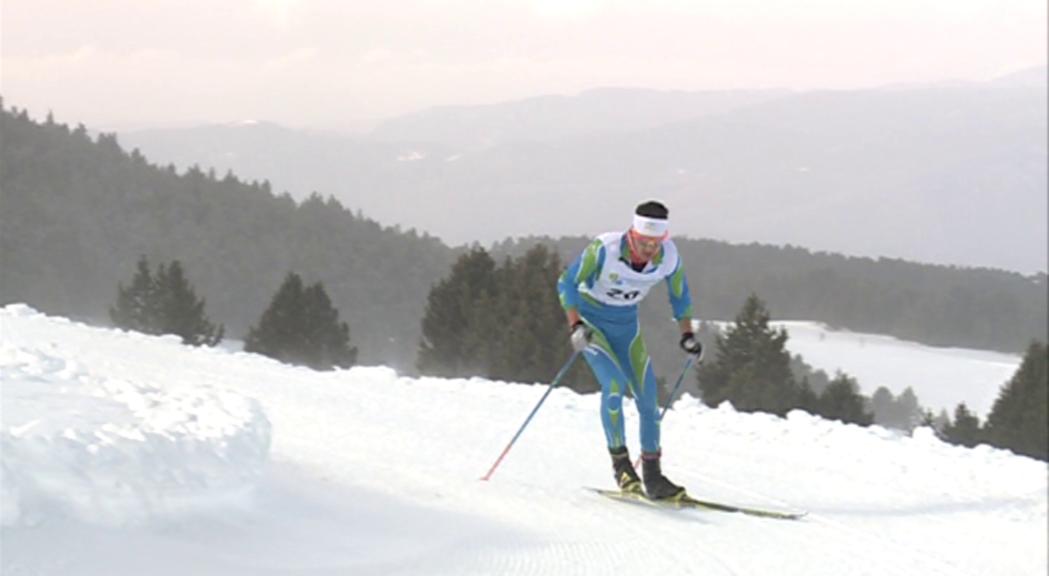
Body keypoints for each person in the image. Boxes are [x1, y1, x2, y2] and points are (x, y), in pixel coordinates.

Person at [557, 200, 703, 500]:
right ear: (632, 234)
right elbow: (567, 282)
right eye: (644, 243)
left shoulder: (669, 256)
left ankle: (653, 476)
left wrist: (687, 335)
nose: (650, 250)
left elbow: (680, 296)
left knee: (648, 399)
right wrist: (575, 325)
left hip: (626, 327)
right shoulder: (605, 249)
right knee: (613, 385)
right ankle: (622, 467)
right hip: (592, 323)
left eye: (655, 243)